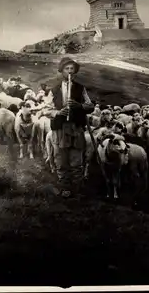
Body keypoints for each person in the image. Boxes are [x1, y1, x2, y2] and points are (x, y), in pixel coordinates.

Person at [46, 57, 94, 198]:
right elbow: (46, 110)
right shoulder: (54, 89)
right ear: (61, 71)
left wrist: (79, 106)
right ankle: (65, 187)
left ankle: (77, 188)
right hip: (60, 128)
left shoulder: (80, 88)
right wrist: (58, 112)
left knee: (76, 160)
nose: (70, 72)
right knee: (60, 160)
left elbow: (90, 106)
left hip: (76, 128)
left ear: (76, 72)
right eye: (67, 69)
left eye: (72, 69)